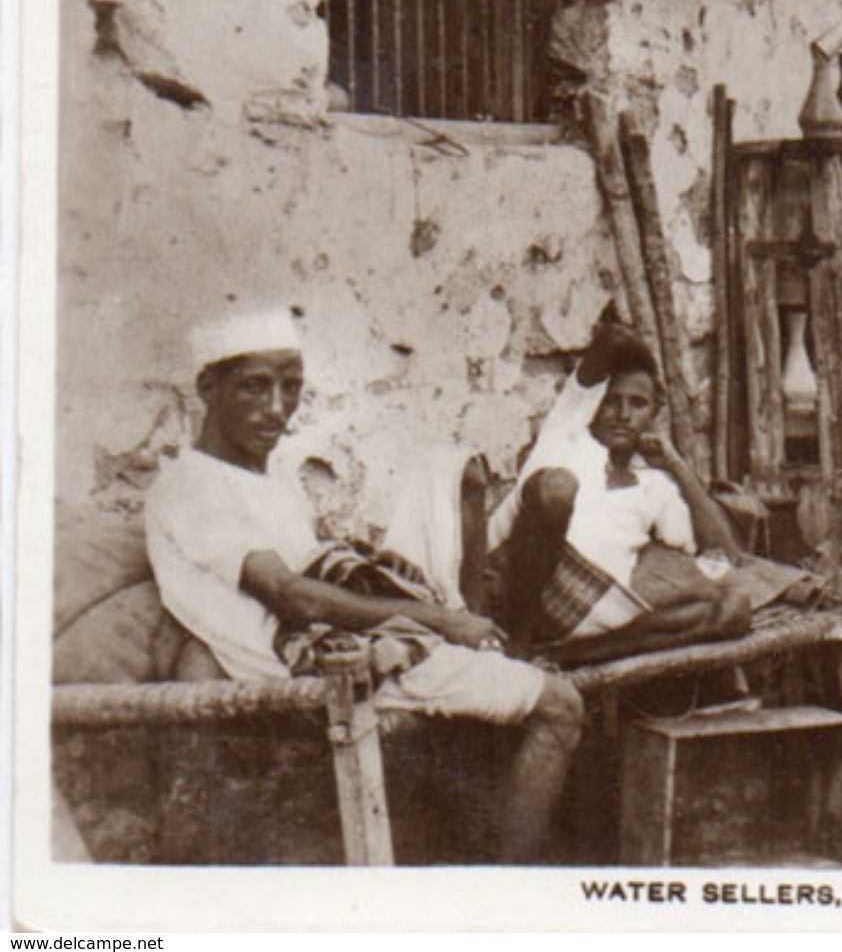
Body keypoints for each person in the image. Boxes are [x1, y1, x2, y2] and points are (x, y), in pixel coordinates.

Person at [146, 308, 584, 864]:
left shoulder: (267, 480)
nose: (277, 409)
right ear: (209, 386)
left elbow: (315, 573)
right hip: (317, 663)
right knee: (561, 706)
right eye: (255, 388)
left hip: (340, 641)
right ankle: (506, 896)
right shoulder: (192, 485)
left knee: (450, 476)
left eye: (291, 389)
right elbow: (290, 594)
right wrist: (439, 621)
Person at [486, 318, 752, 665]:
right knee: (558, 487)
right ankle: (520, 644)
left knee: (733, 608)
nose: (623, 415)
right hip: (522, 588)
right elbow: (612, 339)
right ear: (593, 404)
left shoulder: (654, 483)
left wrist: (677, 466)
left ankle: (576, 655)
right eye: (612, 401)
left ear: (654, 412)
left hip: (592, 608)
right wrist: (643, 358)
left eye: (637, 404)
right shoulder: (566, 432)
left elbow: (723, 554)